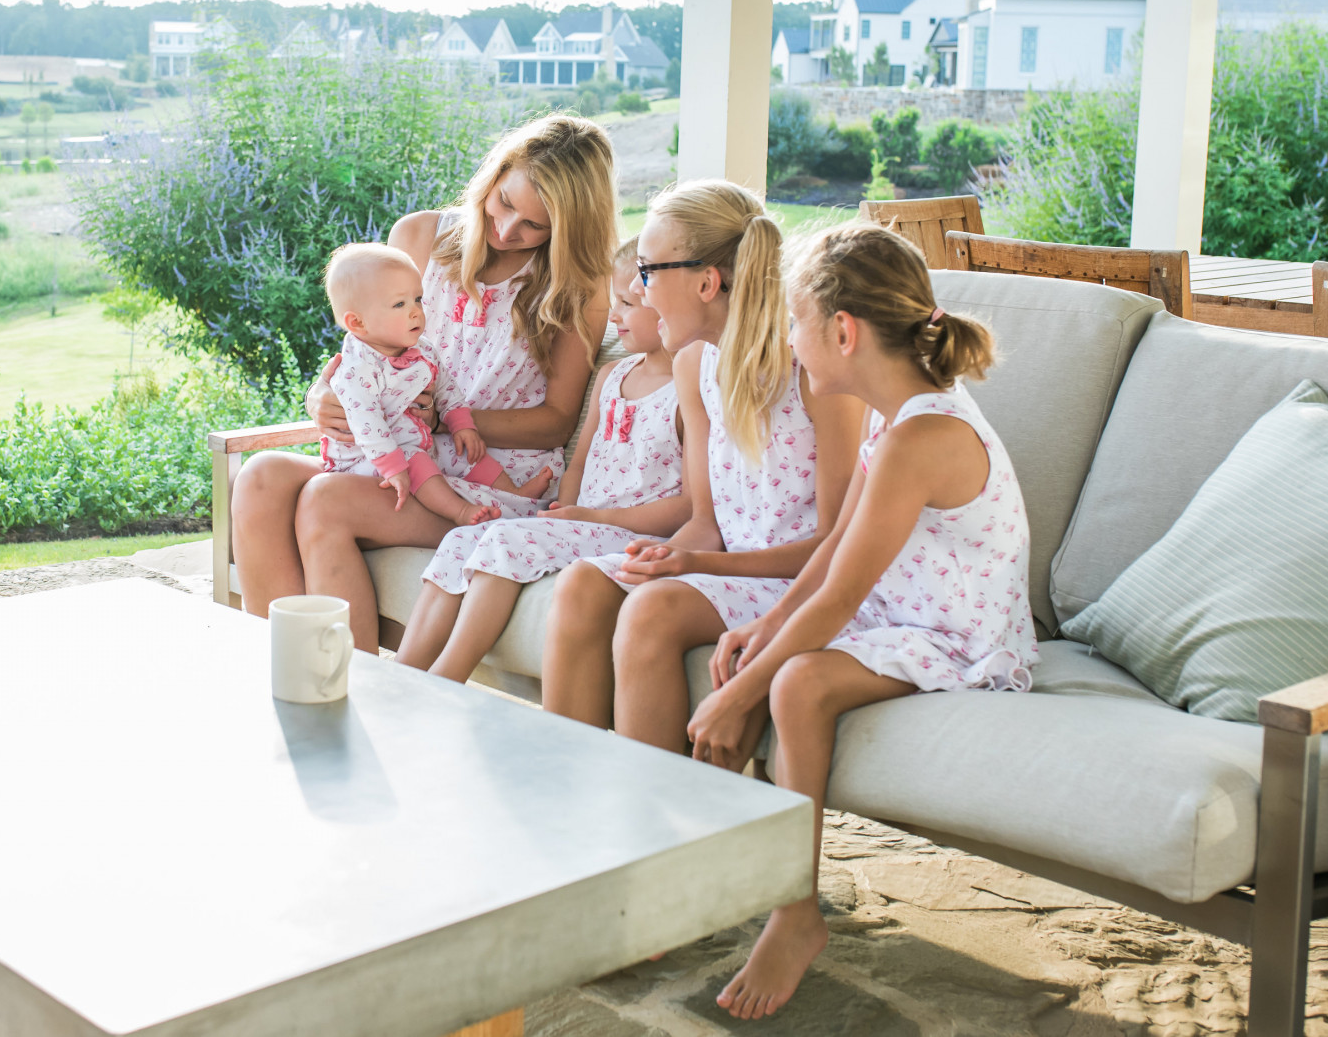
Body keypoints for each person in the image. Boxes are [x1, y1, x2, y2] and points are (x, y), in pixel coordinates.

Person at [690, 222, 1032, 1020]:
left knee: (796, 682)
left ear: (842, 332)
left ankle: (795, 909)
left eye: (794, 321)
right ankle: (715, 868)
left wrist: (746, 689)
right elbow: (834, 551)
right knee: (761, 658)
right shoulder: (892, 412)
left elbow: (841, 598)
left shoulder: (924, 434)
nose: (787, 339)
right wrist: (765, 626)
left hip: (958, 639)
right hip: (897, 613)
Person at [231, 115, 618, 651]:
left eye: (536, 224)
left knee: (327, 500)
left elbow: (556, 420)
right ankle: (284, 671)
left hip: (491, 477)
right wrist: (323, 393)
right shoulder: (419, 236)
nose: (508, 231)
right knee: (260, 477)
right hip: (404, 453)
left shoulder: (577, 281)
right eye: (505, 203)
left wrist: (444, 419)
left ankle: (351, 692)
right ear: (494, 175)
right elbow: (365, 342)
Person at [542, 180, 863, 732]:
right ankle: (572, 793)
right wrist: (666, 556)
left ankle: (655, 811)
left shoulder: (814, 370)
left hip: (811, 587)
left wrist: (695, 564)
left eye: (647, 271)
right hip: (735, 572)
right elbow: (707, 526)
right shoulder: (696, 366)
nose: (638, 294)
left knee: (652, 611)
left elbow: (834, 546)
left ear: (708, 283)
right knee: (583, 582)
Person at [394, 238, 689, 682]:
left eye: (627, 304)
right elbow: (580, 464)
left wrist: (586, 516)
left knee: (504, 543)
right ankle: (401, 675)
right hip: (578, 522)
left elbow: (692, 505)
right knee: (461, 540)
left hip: (628, 532)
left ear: (668, 306)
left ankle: (442, 681)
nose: (613, 317)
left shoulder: (691, 392)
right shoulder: (614, 375)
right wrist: (563, 509)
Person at [317, 242, 555, 527]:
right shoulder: (356, 370)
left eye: (417, 299)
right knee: (414, 461)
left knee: (463, 449)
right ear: (358, 323)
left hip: (414, 440)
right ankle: (461, 512)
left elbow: (447, 389)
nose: (416, 311)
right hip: (369, 459)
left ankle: (515, 495)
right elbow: (369, 427)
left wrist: (461, 424)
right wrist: (392, 467)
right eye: (399, 304)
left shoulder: (423, 350)